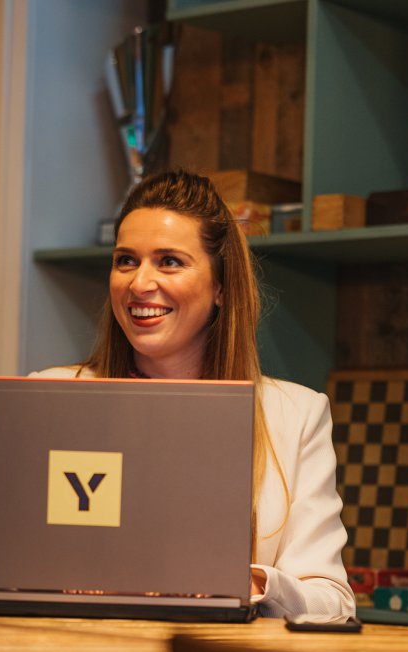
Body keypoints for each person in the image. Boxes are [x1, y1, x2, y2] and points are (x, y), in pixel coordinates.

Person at [31, 169, 355, 622]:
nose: (140, 283)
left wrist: (253, 583)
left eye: (169, 262)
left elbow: (333, 603)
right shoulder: (48, 396)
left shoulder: (296, 415)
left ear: (220, 286)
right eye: (126, 260)